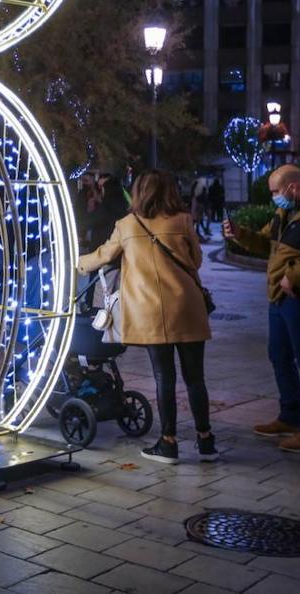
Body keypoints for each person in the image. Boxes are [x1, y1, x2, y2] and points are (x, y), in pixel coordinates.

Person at [78, 170, 216, 465]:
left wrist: (77, 264)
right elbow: (196, 261)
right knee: (195, 378)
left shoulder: (127, 225)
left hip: (152, 310)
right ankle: (206, 441)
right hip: (188, 306)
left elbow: (103, 255)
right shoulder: (183, 220)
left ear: (138, 191)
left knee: (163, 377)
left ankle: (168, 444)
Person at [224, 164, 300, 454]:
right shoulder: (287, 211)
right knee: (279, 356)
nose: (274, 199)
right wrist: (240, 233)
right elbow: (268, 243)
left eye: (276, 192)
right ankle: (289, 417)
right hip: (279, 296)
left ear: (292, 188)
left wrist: (294, 275)